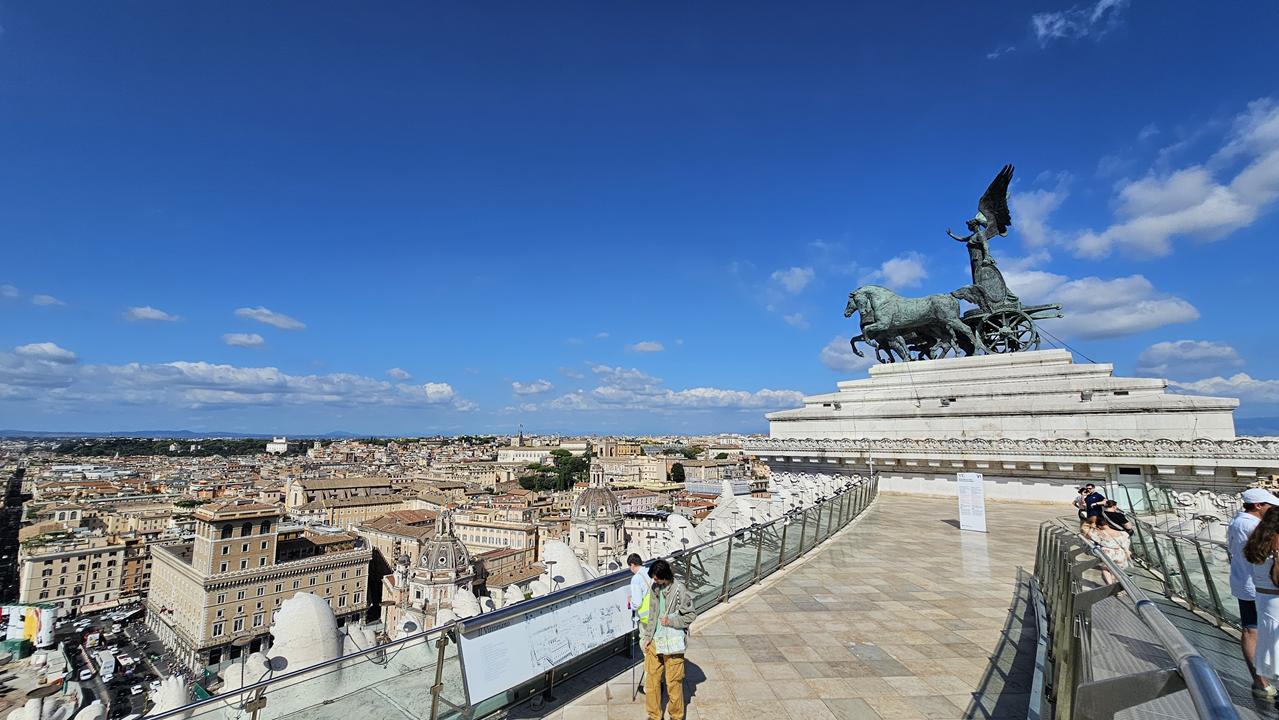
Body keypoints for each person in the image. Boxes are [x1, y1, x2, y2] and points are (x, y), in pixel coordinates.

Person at [1230, 488, 1279, 697]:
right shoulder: (1252, 526)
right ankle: (1261, 682)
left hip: (1251, 587)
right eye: (1270, 506)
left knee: (1254, 631)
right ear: (1258, 505)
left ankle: (1261, 681)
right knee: (1254, 632)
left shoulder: (1237, 522)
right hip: (1260, 588)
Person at [639, 559, 697, 720]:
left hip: (673, 643)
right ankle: (654, 716)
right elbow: (652, 614)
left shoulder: (680, 590)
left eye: (656, 577)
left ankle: (676, 716)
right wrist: (648, 636)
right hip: (655, 641)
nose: (654, 580)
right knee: (651, 681)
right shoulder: (655, 587)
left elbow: (691, 615)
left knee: (673, 683)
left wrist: (671, 621)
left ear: (665, 576)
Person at [1243, 502, 1279, 694]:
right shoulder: (1277, 545)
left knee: (1272, 644)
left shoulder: (1257, 543)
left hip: (1264, 599)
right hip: (1276, 599)